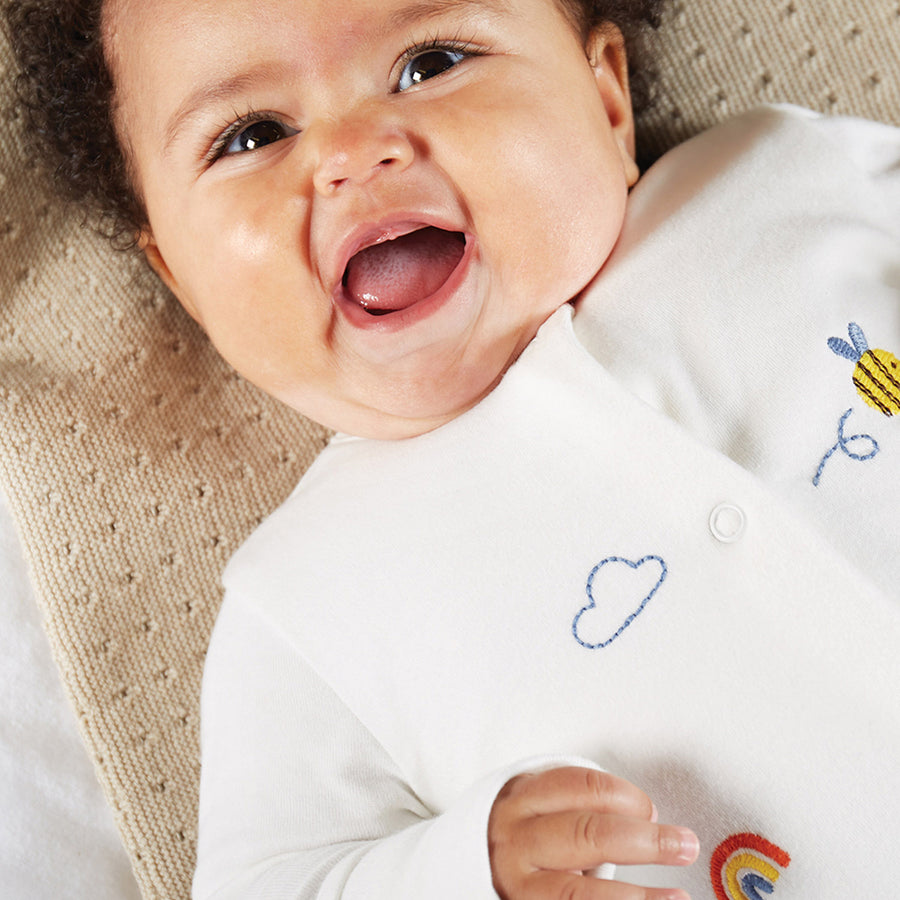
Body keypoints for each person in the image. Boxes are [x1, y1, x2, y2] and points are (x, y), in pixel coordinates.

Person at [5, 0, 900, 898]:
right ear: (184, 283)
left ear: (608, 102)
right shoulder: (306, 604)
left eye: (429, 65)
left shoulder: (775, 180)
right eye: (251, 135)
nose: (352, 151)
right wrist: (467, 871)